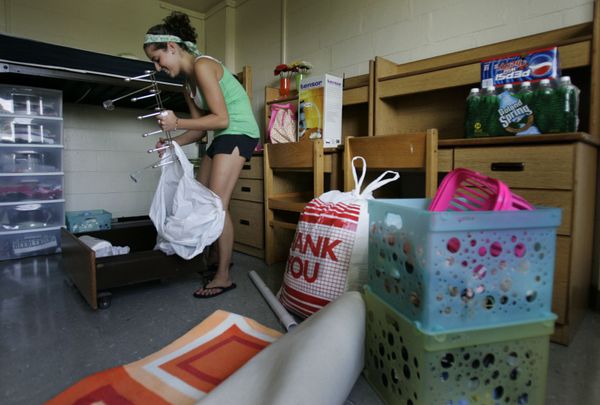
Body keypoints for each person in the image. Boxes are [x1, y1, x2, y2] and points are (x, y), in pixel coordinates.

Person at [143, 11, 260, 298]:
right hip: (222, 134)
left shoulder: (204, 66)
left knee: (215, 205)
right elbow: (199, 131)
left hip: (239, 132)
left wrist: (176, 123)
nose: (158, 67)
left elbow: (220, 118)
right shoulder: (187, 84)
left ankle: (223, 276)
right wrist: (172, 142)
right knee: (202, 199)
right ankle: (218, 259)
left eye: (157, 59)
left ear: (172, 48)